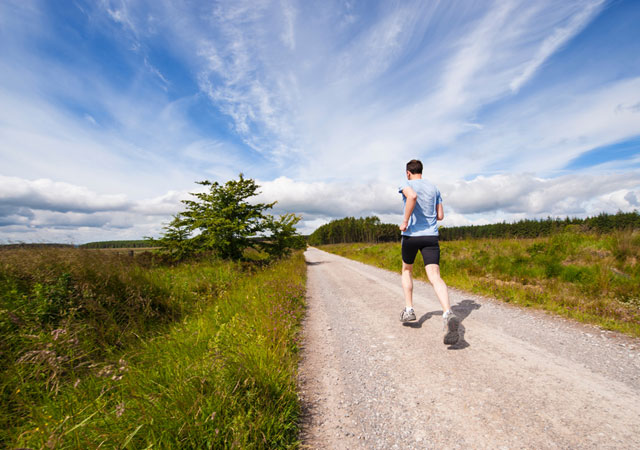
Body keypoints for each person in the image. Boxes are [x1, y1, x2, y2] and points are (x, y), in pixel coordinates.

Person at [398, 159, 460, 345]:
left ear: (408, 172)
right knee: (434, 276)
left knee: (407, 270)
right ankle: (448, 312)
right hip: (431, 236)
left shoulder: (406, 184)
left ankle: (409, 310)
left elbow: (412, 197)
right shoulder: (434, 188)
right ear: (421, 171)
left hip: (411, 236)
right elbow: (440, 215)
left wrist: (405, 221)